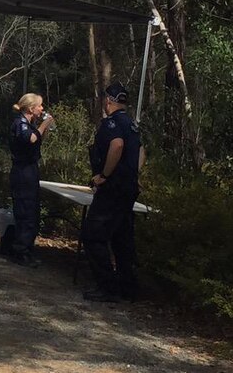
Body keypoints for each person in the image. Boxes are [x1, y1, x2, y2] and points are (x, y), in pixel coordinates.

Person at [82, 82, 143, 302]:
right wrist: (133, 174)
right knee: (122, 238)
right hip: (127, 189)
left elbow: (116, 146)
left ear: (108, 100)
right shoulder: (132, 125)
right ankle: (128, 288)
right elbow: (141, 151)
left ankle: (108, 287)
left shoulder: (112, 124)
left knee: (93, 236)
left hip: (112, 189)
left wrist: (104, 176)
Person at [8, 93, 55, 267]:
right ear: (30, 108)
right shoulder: (20, 123)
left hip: (31, 170)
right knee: (25, 211)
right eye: (40, 106)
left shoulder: (29, 124)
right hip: (23, 172)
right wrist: (44, 124)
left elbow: (37, 140)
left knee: (32, 210)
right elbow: (31, 138)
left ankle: (27, 248)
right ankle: (21, 251)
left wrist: (45, 127)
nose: (42, 109)